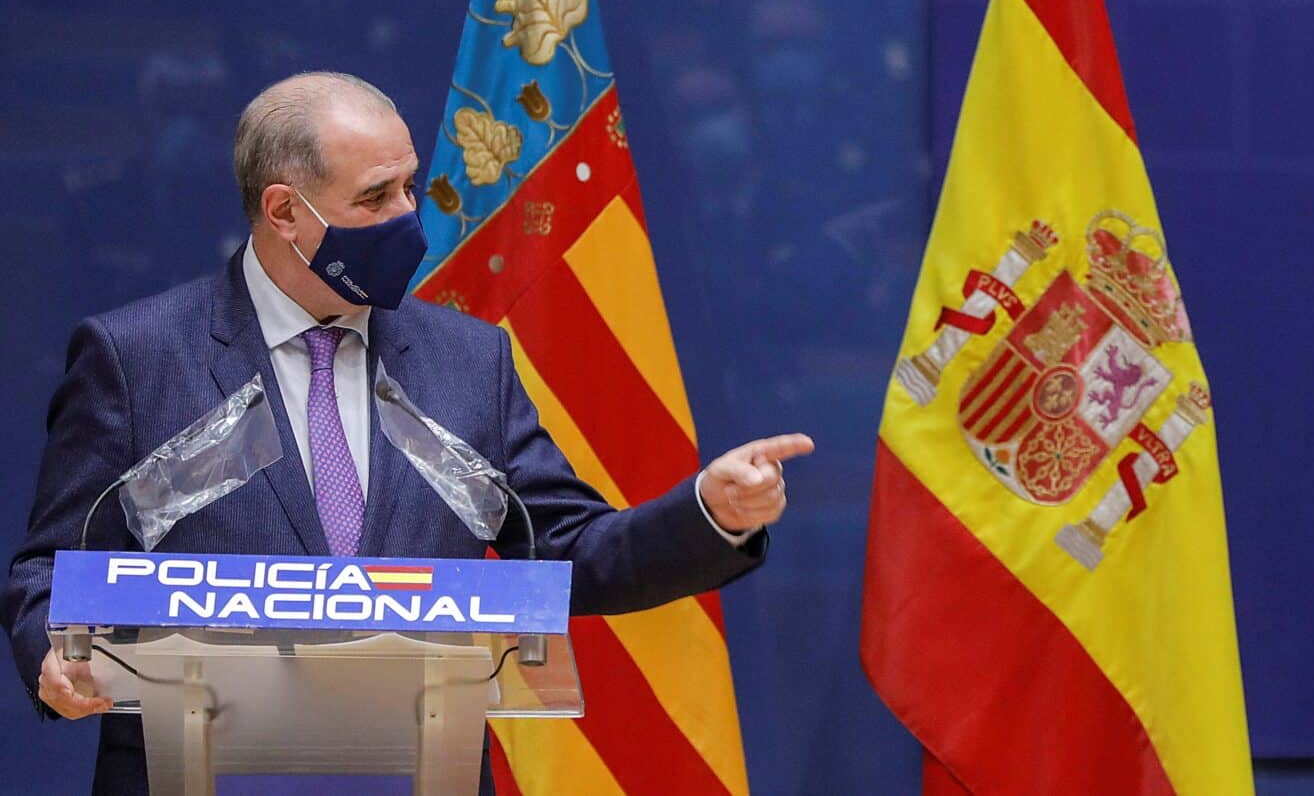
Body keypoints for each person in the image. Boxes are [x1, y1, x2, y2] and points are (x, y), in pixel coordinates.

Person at [0, 71, 813, 793]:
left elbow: (568, 550)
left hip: (417, 768)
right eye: (375, 197)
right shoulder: (137, 356)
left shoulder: (466, 360)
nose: (408, 216)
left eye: (410, 186)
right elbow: (50, 569)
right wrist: (49, 653)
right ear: (285, 211)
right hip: (198, 768)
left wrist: (710, 512)